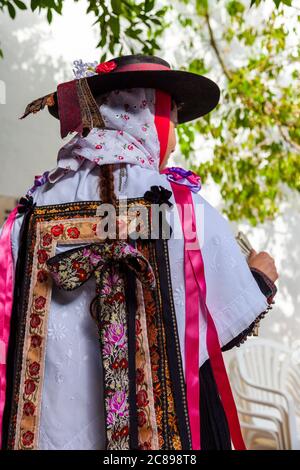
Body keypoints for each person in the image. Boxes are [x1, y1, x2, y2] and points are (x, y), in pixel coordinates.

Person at [0, 54, 278, 451]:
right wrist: (258, 277)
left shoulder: (33, 208)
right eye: (174, 117)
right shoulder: (180, 209)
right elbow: (213, 330)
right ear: (155, 117)